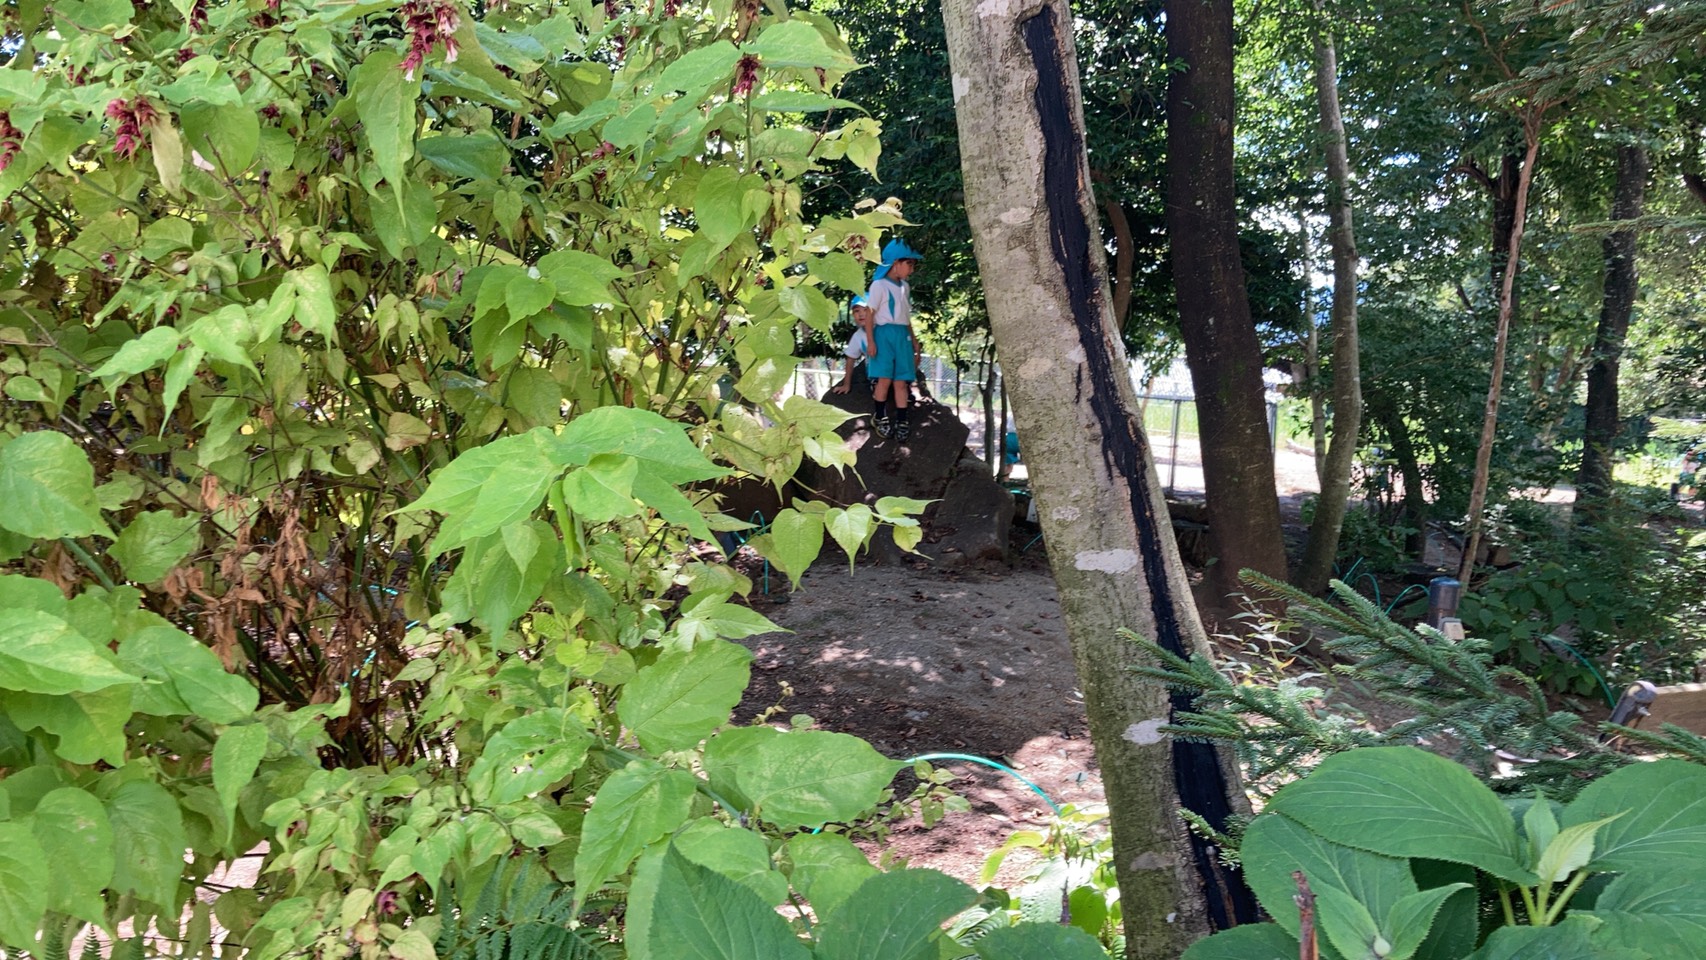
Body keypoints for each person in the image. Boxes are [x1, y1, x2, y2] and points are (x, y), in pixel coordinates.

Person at [866, 238, 923, 441]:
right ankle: (880, 417)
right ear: (895, 263)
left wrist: (914, 341)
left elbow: (905, 316)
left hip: (902, 335)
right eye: (909, 264)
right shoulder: (879, 285)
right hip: (884, 335)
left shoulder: (905, 287)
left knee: (901, 382)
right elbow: (870, 314)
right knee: (884, 379)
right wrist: (871, 341)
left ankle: (902, 420)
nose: (911, 269)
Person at [831, 295, 875, 395]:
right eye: (856, 311)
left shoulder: (885, 329)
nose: (861, 314)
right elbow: (850, 359)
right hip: (876, 375)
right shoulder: (858, 336)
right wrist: (846, 385)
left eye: (865, 310)